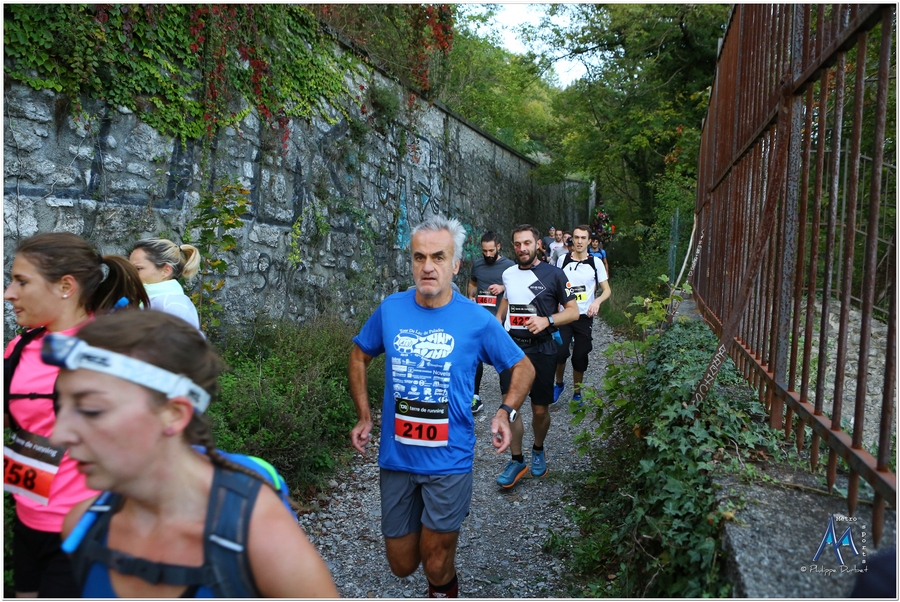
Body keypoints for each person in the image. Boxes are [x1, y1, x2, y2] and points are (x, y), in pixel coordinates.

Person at [48, 310, 339, 597]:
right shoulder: (81, 527)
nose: (58, 435)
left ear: (174, 414)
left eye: (92, 410)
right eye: (60, 407)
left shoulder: (259, 536)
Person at [349, 215, 535, 598]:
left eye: (438, 257)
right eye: (419, 257)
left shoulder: (475, 319)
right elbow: (358, 355)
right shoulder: (391, 309)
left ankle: (443, 585)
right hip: (397, 458)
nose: (428, 267)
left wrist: (505, 411)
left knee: (435, 563)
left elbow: (523, 367)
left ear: (455, 264)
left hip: (449, 461)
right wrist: (364, 416)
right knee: (402, 564)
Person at [3, 232, 148, 597]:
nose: (9, 293)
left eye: (21, 282)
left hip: (85, 526)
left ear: (65, 286)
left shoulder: (110, 350)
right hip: (27, 516)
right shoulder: (21, 346)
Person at [495, 225, 579, 488]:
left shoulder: (555, 274)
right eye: (517, 244)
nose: (522, 248)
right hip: (512, 349)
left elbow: (573, 311)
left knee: (540, 410)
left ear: (538, 245)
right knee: (510, 408)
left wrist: (547, 320)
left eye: (527, 243)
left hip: (543, 348)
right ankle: (517, 460)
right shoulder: (508, 274)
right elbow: (507, 299)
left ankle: (538, 449)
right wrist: (498, 320)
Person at [554, 225, 612, 404]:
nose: (579, 241)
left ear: (589, 241)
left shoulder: (595, 263)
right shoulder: (562, 260)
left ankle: (577, 393)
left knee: (580, 356)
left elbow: (607, 290)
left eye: (583, 238)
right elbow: (555, 286)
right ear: (572, 239)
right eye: (576, 237)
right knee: (560, 353)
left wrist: (596, 302)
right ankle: (559, 384)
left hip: (584, 317)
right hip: (564, 315)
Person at [467, 231, 515, 414]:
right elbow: (473, 283)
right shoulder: (478, 265)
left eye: (491, 251)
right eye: (484, 251)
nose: (488, 254)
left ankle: (508, 400)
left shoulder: (509, 266)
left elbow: (517, 287)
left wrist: (503, 287)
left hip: (500, 320)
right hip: (479, 319)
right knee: (475, 357)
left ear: (498, 247)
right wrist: (471, 296)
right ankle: (474, 396)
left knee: (502, 359)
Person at [129, 238, 201, 330]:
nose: (129, 275)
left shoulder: (173, 305)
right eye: (129, 269)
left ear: (166, 271)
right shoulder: (155, 300)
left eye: (138, 269)